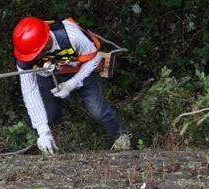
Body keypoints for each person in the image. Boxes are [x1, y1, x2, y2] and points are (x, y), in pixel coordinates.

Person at [12, 17, 130, 154]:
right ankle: (58, 142)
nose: (33, 58)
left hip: (82, 69)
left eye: (36, 54)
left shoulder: (70, 35)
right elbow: (29, 91)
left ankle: (119, 136)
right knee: (50, 116)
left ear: (45, 43)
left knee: (97, 110)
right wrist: (43, 131)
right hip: (48, 75)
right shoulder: (25, 56)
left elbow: (95, 58)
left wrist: (71, 84)